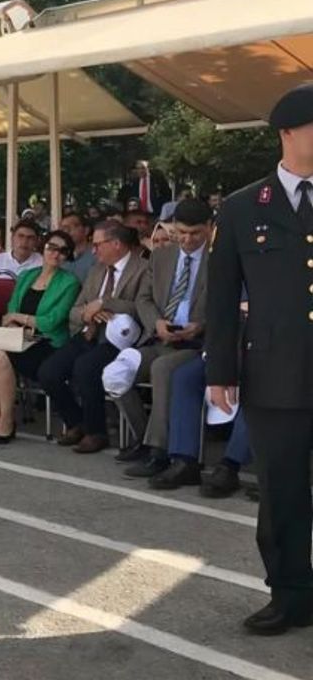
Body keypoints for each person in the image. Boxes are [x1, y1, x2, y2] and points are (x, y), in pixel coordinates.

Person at [206, 83, 313, 635]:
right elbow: (222, 296)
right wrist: (220, 371)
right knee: (282, 490)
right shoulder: (244, 207)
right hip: (275, 374)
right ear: (288, 132)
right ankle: (291, 594)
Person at [38, 221, 151, 454]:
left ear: (116, 244)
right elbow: (75, 309)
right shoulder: (97, 270)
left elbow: (143, 307)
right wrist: (88, 313)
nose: (94, 250)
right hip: (89, 332)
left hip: (120, 339)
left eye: (98, 244)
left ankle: (96, 432)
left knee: (85, 367)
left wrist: (105, 303)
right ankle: (76, 422)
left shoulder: (143, 269)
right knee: (49, 371)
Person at [116, 200, 212, 471]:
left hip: (194, 343)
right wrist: (156, 323)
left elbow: (228, 305)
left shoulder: (220, 260)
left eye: (195, 233)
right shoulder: (161, 257)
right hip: (158, 336)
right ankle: (143, 438)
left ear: (209, 227)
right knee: (116, 372)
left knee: (162, 369)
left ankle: (159, 452)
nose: (187, 239)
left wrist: (200, 325)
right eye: (181, 232)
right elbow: (143, 298)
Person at [0, 231, 81, 444]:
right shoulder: (27, 276)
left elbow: (52, 321)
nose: (56, 254)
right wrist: (15, 324)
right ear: (43, 248)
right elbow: (11, 307)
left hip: (48, 342)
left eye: (63, 251)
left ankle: (7, 420)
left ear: (67, 256)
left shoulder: (70, 282)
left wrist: (19, 319)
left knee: (1, 357)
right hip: (18, 336)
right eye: (52, 247)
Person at [150, 354, 251, 496]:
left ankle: (231, 465)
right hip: (228, 354)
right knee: (185, 376)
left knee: (260, 385)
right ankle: (186, 460)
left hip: (262, 357)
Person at [60, 211, 96, 282]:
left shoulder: (97, 254)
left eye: (71, 227)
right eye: (63, 229)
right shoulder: (60, 257)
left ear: (86, 230)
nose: (67, 231)